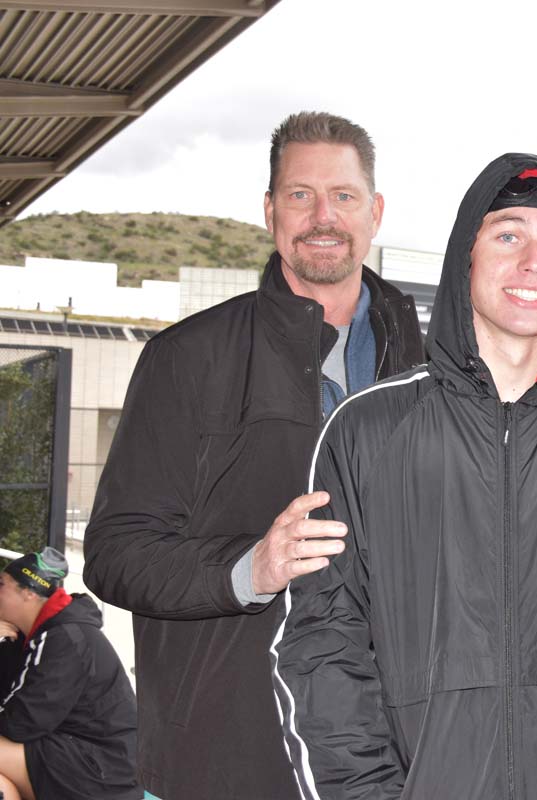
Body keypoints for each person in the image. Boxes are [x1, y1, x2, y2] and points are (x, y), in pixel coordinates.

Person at [272, 154, 537, 798]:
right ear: (465, 257)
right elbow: (325, 639)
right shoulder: (369, 430)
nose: (534, 261)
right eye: (508, 235)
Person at [82, 112, 424, 800]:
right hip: (227, 761)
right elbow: (116, 554)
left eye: (344, 196)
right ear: (270, 211)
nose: (323, 216)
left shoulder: (433, 369)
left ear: (376, 212)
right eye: (300, 195)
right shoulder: (187, 358)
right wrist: (250, 568)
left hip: (389, 762)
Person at [0, 547, 139, 800]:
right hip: (73, 755)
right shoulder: (29, 638)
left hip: (100, 772)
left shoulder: (64, 638)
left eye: (2, 584)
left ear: (29, 593)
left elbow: (20, 724)